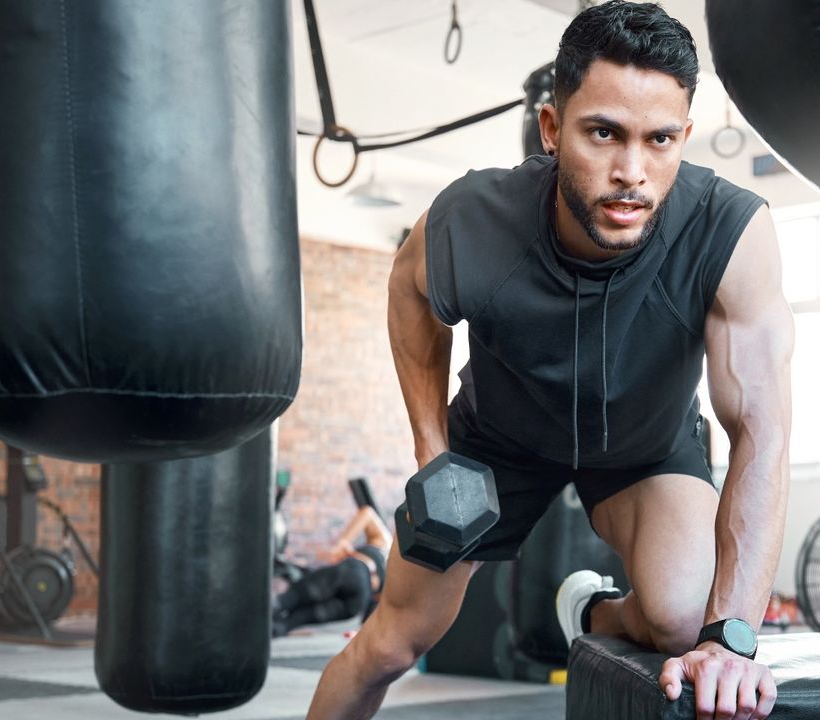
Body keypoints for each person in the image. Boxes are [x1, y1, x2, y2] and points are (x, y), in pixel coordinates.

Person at [307, 3, 793, 719]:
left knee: (682, 621)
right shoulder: (471, 218)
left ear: (685, 137)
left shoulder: (731, 232)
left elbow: (764, 430)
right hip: (494, 446)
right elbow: (409, 294)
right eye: (604, 133)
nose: (633, 171)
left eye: (660, 140)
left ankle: (593, 610)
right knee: (389, 646)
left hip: (645, 449)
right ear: (551, 129)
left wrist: (731, 640)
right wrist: (431, 450)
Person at [273, 502, 393, 637]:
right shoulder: (400, 577)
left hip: (356, 571)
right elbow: (381, 607)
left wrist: (343, 542)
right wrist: (362, 633)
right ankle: (272, 631)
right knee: (294, 621)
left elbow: (367, 513)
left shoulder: (386, 542)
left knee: (290, 599)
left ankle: (251, 623)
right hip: (358, 602)